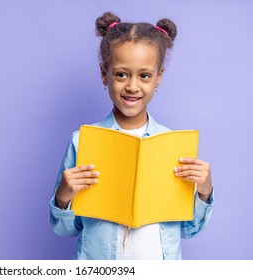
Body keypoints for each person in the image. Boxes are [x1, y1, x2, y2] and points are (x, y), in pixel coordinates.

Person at [49, 12, 214, 260]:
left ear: (158, 77)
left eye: (144, 75)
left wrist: (204, 191)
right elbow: (66, 228)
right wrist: (63, 197)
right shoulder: (82, 141)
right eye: (121, 74)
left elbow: (189, 229)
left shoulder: (174, 146)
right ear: (105, 74)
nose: (133, 86)